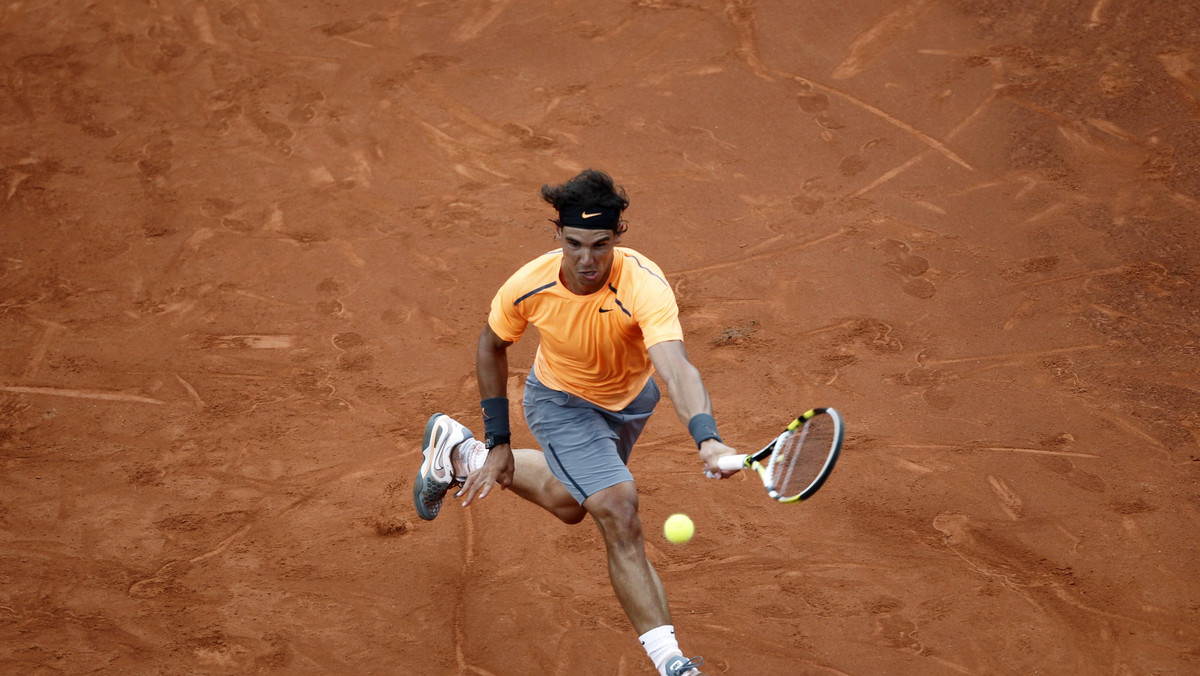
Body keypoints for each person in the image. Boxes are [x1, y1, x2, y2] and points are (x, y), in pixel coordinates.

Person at [413, 169, 738, 676]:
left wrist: (708, 437)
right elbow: (491, 344)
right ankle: (671, 661)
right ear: (558, 235)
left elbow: (675, 367)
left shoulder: (644, 285)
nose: (587, 260)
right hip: (561, 404)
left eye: (600, 245)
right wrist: (501, 435)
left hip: (631, 400)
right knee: (617, 508)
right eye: (575, 244)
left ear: (619, 237)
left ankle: (459, 452)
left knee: (570, 504)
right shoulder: (529, 285)